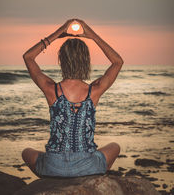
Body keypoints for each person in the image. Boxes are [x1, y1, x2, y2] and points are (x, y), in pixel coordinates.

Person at [22, 18, 124, 177]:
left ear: (61, 60)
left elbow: (28, 57)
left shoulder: (51, 89)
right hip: (86, 166)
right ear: (86, 61)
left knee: (26, 152)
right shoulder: (94, 90)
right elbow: (118, 62)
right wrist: (93, 36)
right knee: (115, 147)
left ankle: (53, 177)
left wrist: (58, 33)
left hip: (53, 165)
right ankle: (88, 176)